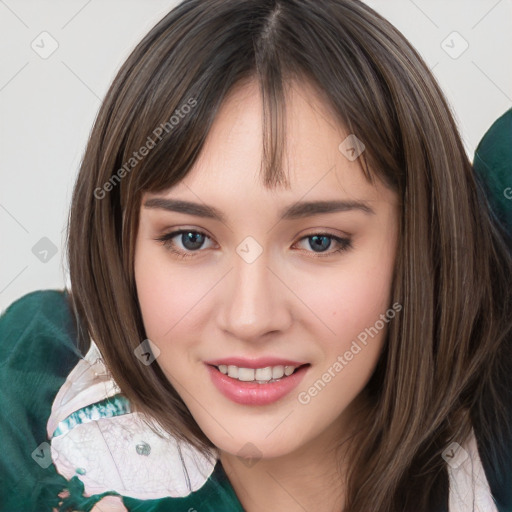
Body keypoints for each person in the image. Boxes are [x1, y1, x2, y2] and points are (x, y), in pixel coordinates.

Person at [1, 1, 511, 511]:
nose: (250, 318)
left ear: (419, 245)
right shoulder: (41, 411)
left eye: (319, 241)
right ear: (121, 250)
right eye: (191, 239)